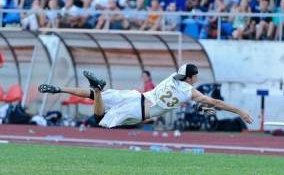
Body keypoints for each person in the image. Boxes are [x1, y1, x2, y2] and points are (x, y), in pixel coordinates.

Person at [38, 64, 253, 128]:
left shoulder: (172, 77)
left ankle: (60, 89)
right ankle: (96, 88)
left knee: (97, 97)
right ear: (193, 77)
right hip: (139, 110)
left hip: (135, 96)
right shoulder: (191, 92)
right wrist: (240, 111)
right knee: (99, 118)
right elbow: (213, 102)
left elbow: (183, 90)